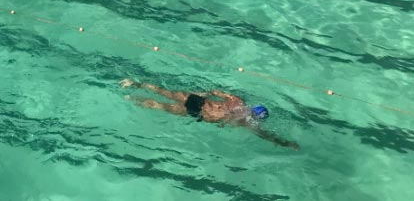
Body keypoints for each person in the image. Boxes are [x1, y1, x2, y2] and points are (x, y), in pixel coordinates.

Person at [120, 79, 299, 149]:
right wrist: (285, 143)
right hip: (198, 109)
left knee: (163, 93)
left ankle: (134, 85)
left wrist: (205, 94)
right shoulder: (246, 120)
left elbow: (218, 92)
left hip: (198, 102)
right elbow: (265, 135)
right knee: (159, 104)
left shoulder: (238, 101)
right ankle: (130, 97)